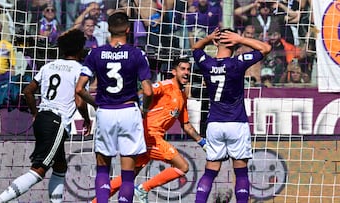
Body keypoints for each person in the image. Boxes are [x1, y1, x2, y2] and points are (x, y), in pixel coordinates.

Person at [0, 29, 92, 203]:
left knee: (60, 166)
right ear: (79, 50)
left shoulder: (49, 66)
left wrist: (35, 113)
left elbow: (28, 91)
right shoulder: (81, 70)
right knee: (38, 170)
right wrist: (87, 119)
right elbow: (79, 102)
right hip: (56, 122)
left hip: (43, 118)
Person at [91, 57, 208, 203]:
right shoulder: (165, 85)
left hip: (149, 136)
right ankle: (143, 188)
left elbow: (186, 125)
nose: (187, 72)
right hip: (150, 134)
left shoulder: (182, 96)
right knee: (183, 166)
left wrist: (203, 142)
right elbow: (147, 91)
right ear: (173, 71)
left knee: (129, 176)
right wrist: (140, 108)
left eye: (188, 69)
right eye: (182, 69)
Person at [75, 11, 153, 203]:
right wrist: (145, 110)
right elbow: (148, 91)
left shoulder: (95, 53)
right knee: (127, 172)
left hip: (106, 112)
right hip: (129, 111)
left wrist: (97, 104)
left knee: (103, 166)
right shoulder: (137, 53)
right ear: (128, 29)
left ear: (108, 29)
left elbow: (79, 89)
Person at [192, 28, 271, 203]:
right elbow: (265, 48)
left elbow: (196, 49)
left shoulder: (206, 63)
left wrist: (209, 38)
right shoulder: (238, 62)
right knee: (241, 171)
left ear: (215, 43)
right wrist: (241, 38)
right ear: (234, 43)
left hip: (214, 124)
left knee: (210, 171)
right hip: (236, 123)